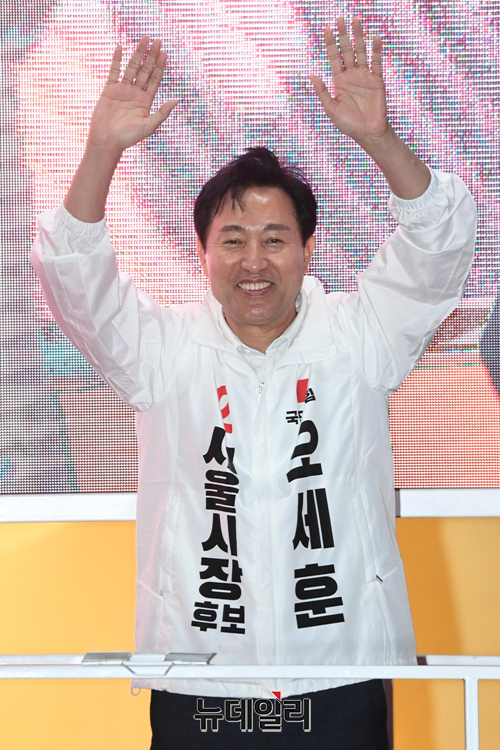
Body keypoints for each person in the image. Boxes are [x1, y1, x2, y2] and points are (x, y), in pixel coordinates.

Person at [30, 17, 476, 749]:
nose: (254, 262)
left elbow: (442, 239)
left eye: (275, 239)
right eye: (232, 241)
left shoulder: (360, 335)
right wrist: (102, 149)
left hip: (341, 677)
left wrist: (379, 139)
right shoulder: (163, 350)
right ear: (202, 252)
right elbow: (73, 278)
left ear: (308, 248)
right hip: (199, 682)